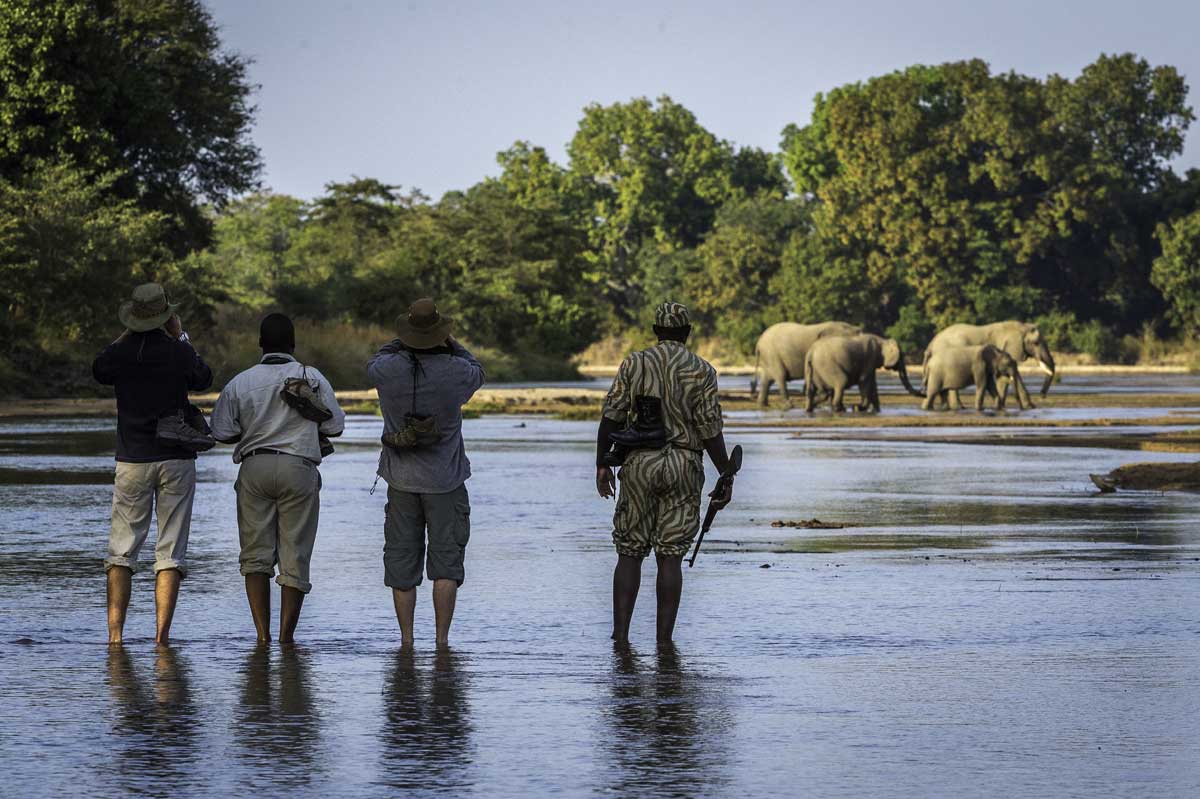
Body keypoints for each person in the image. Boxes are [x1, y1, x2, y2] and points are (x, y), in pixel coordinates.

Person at [595, 302, 733, 644]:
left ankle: (621, 637)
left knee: (629, 552)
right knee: (670, 557)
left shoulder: (635, 363)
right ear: (686, 334)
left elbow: (611, 417)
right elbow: (709, 429)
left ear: (656, 332)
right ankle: (663, 641)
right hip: (684, 465)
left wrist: (602, 464)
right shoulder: (702, 370)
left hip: (639, 463)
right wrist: (725, 474)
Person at [210, 314, 345, 644]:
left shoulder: (240, 382)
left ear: (260, 344)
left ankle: (262, 637)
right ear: (293, 345)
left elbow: (221, 431)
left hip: (254, 468)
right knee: (294, 555)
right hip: (298, 468)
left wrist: (255, 428)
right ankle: (286, 638)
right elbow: (335, 427)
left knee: (255, 557)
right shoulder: (310, 376)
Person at [93, 282, 213, 644]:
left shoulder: (121, 352)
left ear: (133, 317)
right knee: (170, 551)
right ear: (166, 315)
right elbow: (204, 379)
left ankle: (116, 637)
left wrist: (124, 335)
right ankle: (161, 638)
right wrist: (182, 337)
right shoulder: (177, 351)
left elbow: (99, 368)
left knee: (121, 550)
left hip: (132, 459)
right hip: (176, 459)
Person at [368, 298, 485, 647]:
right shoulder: (456, 371)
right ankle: (441, 641)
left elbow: (375, 360)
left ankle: (406, 641)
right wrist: (451, 342)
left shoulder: (386, 370)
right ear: (440, 334)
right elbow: (478, 368)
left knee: (402, 565)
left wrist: (403, 340)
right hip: (446, 481)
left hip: (401, 481)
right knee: (446, 564)